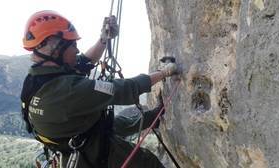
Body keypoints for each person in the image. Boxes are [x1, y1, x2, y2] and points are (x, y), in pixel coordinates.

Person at [20, 10, 177, 168]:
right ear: (56, 49)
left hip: (75, 133)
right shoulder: (67, 91)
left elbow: (83, 63)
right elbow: (123, 89)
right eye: (72, 45)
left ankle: (155, 116)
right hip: (88, 151)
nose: (77, 50)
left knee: (117, 122)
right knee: (147, 162)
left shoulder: (37, 78)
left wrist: (104, 40)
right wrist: (164, 72)